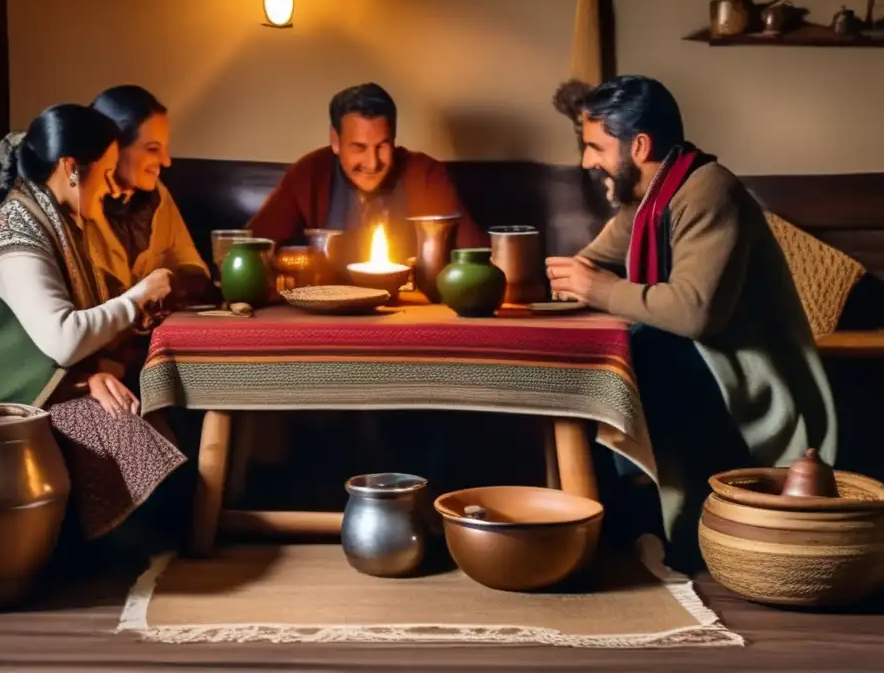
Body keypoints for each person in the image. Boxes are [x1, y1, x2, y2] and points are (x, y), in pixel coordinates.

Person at [545, 75, 837, 563]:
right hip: (696, 363)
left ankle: (653, 525)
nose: (587, 162)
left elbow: (695, 312)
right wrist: (561, 279)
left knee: (647, 349)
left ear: (637, 146)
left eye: (596, 147)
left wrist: (596, 289)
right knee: (600, 356)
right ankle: (608, 521)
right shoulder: (647, 201)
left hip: (746, 374)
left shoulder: (707, 190)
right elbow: (593, 266)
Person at [0, 104, 187, 547]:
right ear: (71, 169)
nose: (111, 185)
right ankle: (74, 553)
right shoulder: (16, 232)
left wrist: (91, 372)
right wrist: (139, 296)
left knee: (143, 418)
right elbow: (63, 338)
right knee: (127, 437)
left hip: (30, 377)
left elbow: (58, 332)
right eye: (104, 171)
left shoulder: (55, 221)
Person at [247, 82, 487, 265]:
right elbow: (250, 250)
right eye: (359, 147)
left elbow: (478, 258)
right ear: (336, 141)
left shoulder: (425, 175)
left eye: (382, 146)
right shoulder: (309, 173)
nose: (372, 164)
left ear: (394, 138)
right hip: (328, 314)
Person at [88, 85, 212, 305]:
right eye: (153, 149)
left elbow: (191, 264)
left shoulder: (158, 195)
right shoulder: (78, 205)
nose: (166, 161)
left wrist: (177, 282)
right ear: (111, 148)